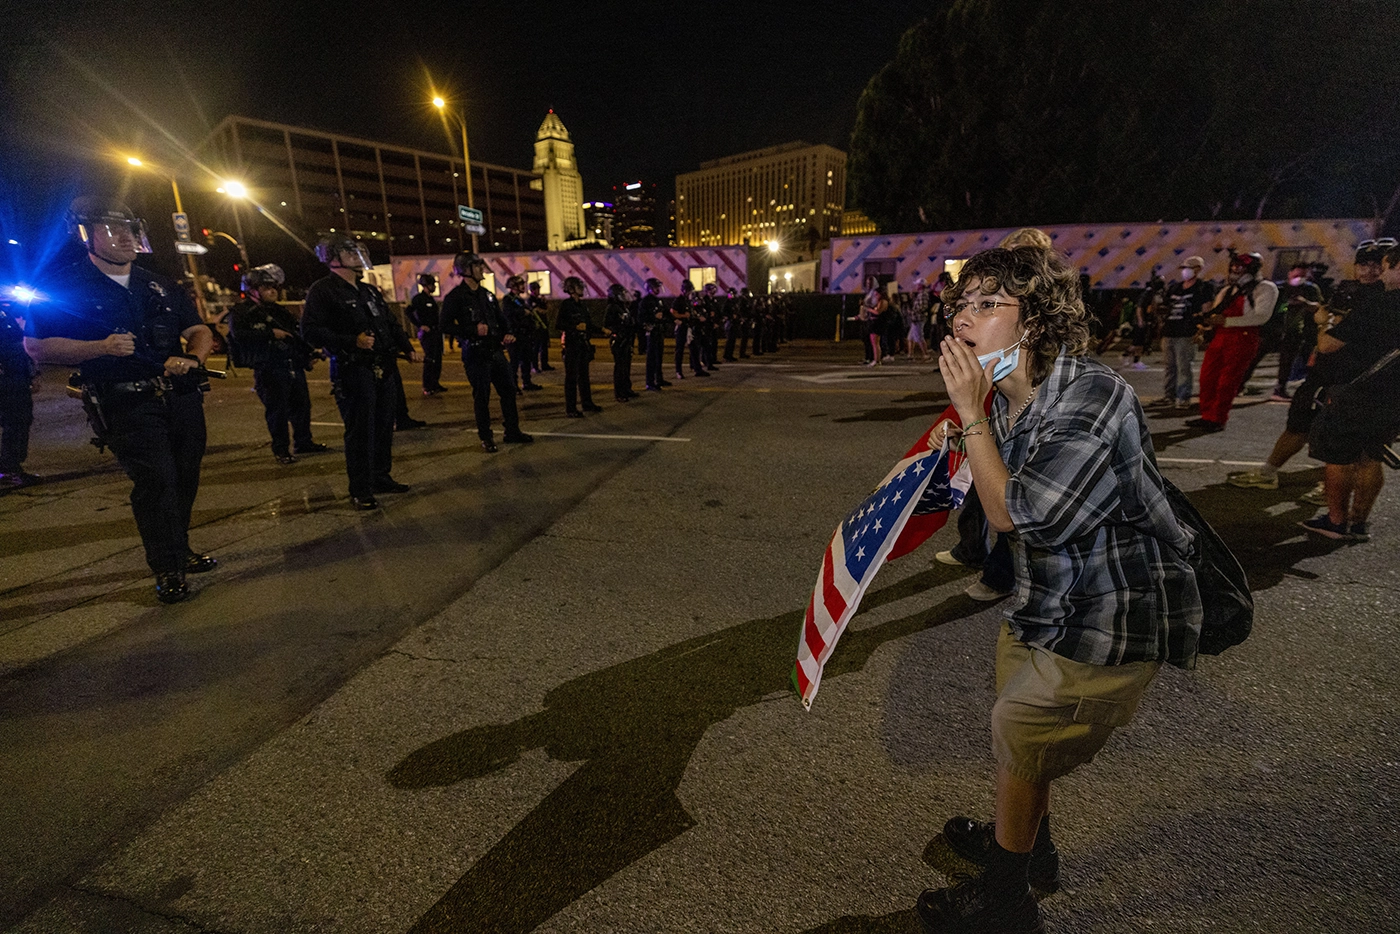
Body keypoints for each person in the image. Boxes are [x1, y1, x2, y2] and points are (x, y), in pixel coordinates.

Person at [917, 245, 1200, 934]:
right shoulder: (1011, 395)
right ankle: (1026, 847)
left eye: (988, 304)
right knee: (1026, 743)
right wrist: (968, 429)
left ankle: (1007, 901)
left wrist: (970, 415)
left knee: (1019, 726)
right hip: (1047, 599)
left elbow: (1014, 513)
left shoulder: (1090, 397)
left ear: (1036, 322)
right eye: (961, 305)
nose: (963, 320)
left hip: (1113, 608)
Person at [25, 197, 217, 603]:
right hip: (126, 402)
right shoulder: (62, 285)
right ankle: (167, 567)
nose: (126, 237)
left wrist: (192, 358)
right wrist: (100, 347)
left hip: (180, 397)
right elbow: (37, 346)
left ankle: (179, 547)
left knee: (185, 476)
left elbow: (199, 330)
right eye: (112, 230)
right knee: (156, 480)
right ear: (86, 235)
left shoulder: (158, 283)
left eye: (130, 229)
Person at [1226, 240, 1391, 495]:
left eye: (1376, 265)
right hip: (1324, 372)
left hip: (1354, 380)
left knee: (1349, 443)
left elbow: (1332, 335)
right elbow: (1325, 324)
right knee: (1299, 423)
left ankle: (1333, 494)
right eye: (1363, 264)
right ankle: (1269, 472)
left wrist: (1326, 323)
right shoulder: (1348, 289)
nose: (1369, 271)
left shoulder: (1385, 300)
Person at [302, 235, 420, 509]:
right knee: (360, 431)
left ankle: (380, 477)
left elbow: (390, 323)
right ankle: (360, 488)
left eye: (357, 252)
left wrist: (407, 347)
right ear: (333, 258)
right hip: (353, 369)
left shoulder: (369, 291)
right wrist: (350, 341)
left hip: (382, 367)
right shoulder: (323, 290)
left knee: (383, 427)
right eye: (348, 252)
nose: (356, 256)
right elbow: (310, 331)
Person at [1295, 240, 1400, 541]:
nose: (1380, 273)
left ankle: (1336, 522)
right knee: (1372, 456)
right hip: (1393, 394)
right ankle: (1359, 523)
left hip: (1359, 392)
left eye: (1386, 266)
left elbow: (1327, 344)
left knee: (1339, 457)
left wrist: (1323, 322)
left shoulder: (1379, 304)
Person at [229, 264, 326, 465]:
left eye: (274, 287)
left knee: (301, 406)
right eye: (266, 287)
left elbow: (295, 335)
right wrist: (270, 333)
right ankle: (281, 449)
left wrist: (307, 354)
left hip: (291, 364)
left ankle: (303, 442)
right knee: (277, 411)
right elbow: (238, 335)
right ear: (253, 290)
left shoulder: (279, 311)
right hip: (268, 368)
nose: (272, 291)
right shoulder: (242, 312)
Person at [440, 252, 533, 452]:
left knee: (509, 390)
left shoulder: (486, 294)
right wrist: (472, 330)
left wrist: (508, 332)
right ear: (466, 270)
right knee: (482, 396)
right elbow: (444, 325)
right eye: (477, 266)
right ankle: (486, 437)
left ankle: (512, 431)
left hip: (495, 350)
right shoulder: (455, 297)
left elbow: (500, 318)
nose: (482, 269)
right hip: (475, 353)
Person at [1188, 250, 1278, 432]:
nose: (1236, 270)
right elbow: (1217, 313)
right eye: (1234, 267)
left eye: (1240, 267)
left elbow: (1261, 317)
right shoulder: (1228, 290)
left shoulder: (1265, 288)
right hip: (1221, 336)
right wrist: (1206, 325)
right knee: (1207, 377)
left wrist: (1226, 321)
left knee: (1228, 381)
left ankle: (1218, 418)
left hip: (1243, 337)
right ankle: (1207, 415)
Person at [1153, 256, 1215, 409]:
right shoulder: (1175, 288)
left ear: (1198, 269)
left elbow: (1207, 309)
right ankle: (1169, 396)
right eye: (1184, 268)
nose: (1185, 271)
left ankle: (1183, 397)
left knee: (1184, 366)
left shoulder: (1203, 287)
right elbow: (1164, 306)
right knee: (1169, 366)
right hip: (1170, 330)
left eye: (1189, 268)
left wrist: (1202, 326)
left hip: (1187, 332)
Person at [1270, 262, 1324, 402]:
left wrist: (1305, 302)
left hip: (1296, 330)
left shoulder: (1310, 289)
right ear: (1290, 273)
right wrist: (1286, 304)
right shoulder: (1280, 288)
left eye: (1303, 276)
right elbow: (1274, 307)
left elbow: (1318, 306)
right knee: (1255, 356)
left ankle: (1280, 388)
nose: (1299, 279)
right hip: (1273, 329)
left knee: (1288, 360)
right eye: (1297, 275)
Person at [0, 293, 37, 489]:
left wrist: (32, 374)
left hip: (15, 375)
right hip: (7, 377)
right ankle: (10, 468)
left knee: (19, 420)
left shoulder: (5, 313)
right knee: (16, 421)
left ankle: (10, 466)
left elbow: (21, 345)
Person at [558, 276, 603, 417]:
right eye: (579, 286)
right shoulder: (566, 305)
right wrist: (574, 327)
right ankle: (571, 409)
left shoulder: (582, 306)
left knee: (584, 376)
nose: (582, 289)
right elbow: (559, 324)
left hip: (583, 345)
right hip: (572, 345)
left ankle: (587, 403)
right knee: (571, 377)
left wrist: (601, 330)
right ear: (571, 289)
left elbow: (588, 324)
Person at [406, 273, 447, 396]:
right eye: (431, 284)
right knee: (430, 359)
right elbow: (409, 312)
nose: (434, 287)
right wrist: (420, 325)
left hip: (436, 332)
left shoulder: (431, 299)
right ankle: (427, 386)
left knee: (437, 359)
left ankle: (435, 383)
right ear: (425, 286)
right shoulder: (419, 299)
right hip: (427, 334)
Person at [501, 275, 542, 393]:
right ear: (514, 286)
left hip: (524, 335)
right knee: (514, 362)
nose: (523, 286)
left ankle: (527, 382)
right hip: (515, 335)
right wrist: (522, 312)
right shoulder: (508, 299)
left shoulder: (520, 300)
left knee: (526, 360)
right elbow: (508, 314)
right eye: (520, 285)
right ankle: (513, 385)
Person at [603, 283, 638, 402]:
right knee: (620, 367)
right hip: (618, 340)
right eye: (621, 294)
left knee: (626, 366)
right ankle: (619, 393)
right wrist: (617, 332)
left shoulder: (623, 307)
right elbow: (607, 325)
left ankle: (627, 389)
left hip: (627, 339)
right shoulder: (612, 307)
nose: (624, 296)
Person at [639, 278, 670, 391]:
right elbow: (641, 317)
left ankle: (659, 379)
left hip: (659, 331)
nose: (658, 289)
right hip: (652, 332)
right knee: (651, 358)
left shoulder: (658, 300)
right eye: (656, 287)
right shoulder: (645, 301)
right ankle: (650, 382)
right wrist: (653, 317)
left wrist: (668, 319)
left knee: (659, 357)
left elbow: (666, 313)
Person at [527, 281, 553, 372]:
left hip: (543, 325)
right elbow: (537, 311)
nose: (538, 291)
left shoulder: (539, 300)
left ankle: (544, 364)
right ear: (532, 290)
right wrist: (541, 310)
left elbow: (548, 309)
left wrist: (545, 302)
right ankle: (534, 366)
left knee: (544, 346)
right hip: (536, 327)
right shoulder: (530, 300)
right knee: (536, 347)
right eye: (537, 289)